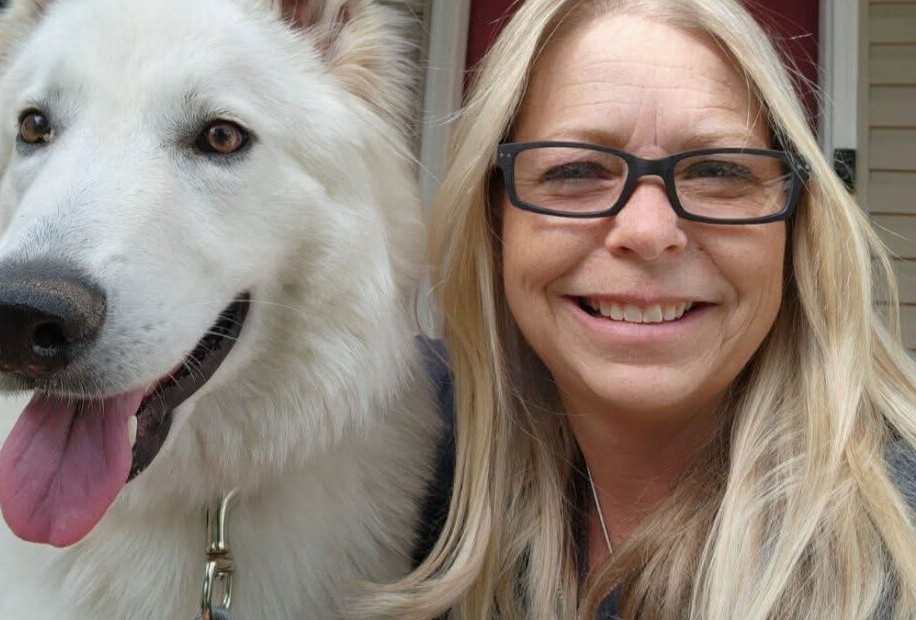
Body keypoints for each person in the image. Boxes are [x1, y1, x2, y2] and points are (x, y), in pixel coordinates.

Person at [358, 0, 916, 618]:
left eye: (718, 170)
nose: (649, 231)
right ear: (495, 223)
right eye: (576, 170)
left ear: (795, 225)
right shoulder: (411, 460)